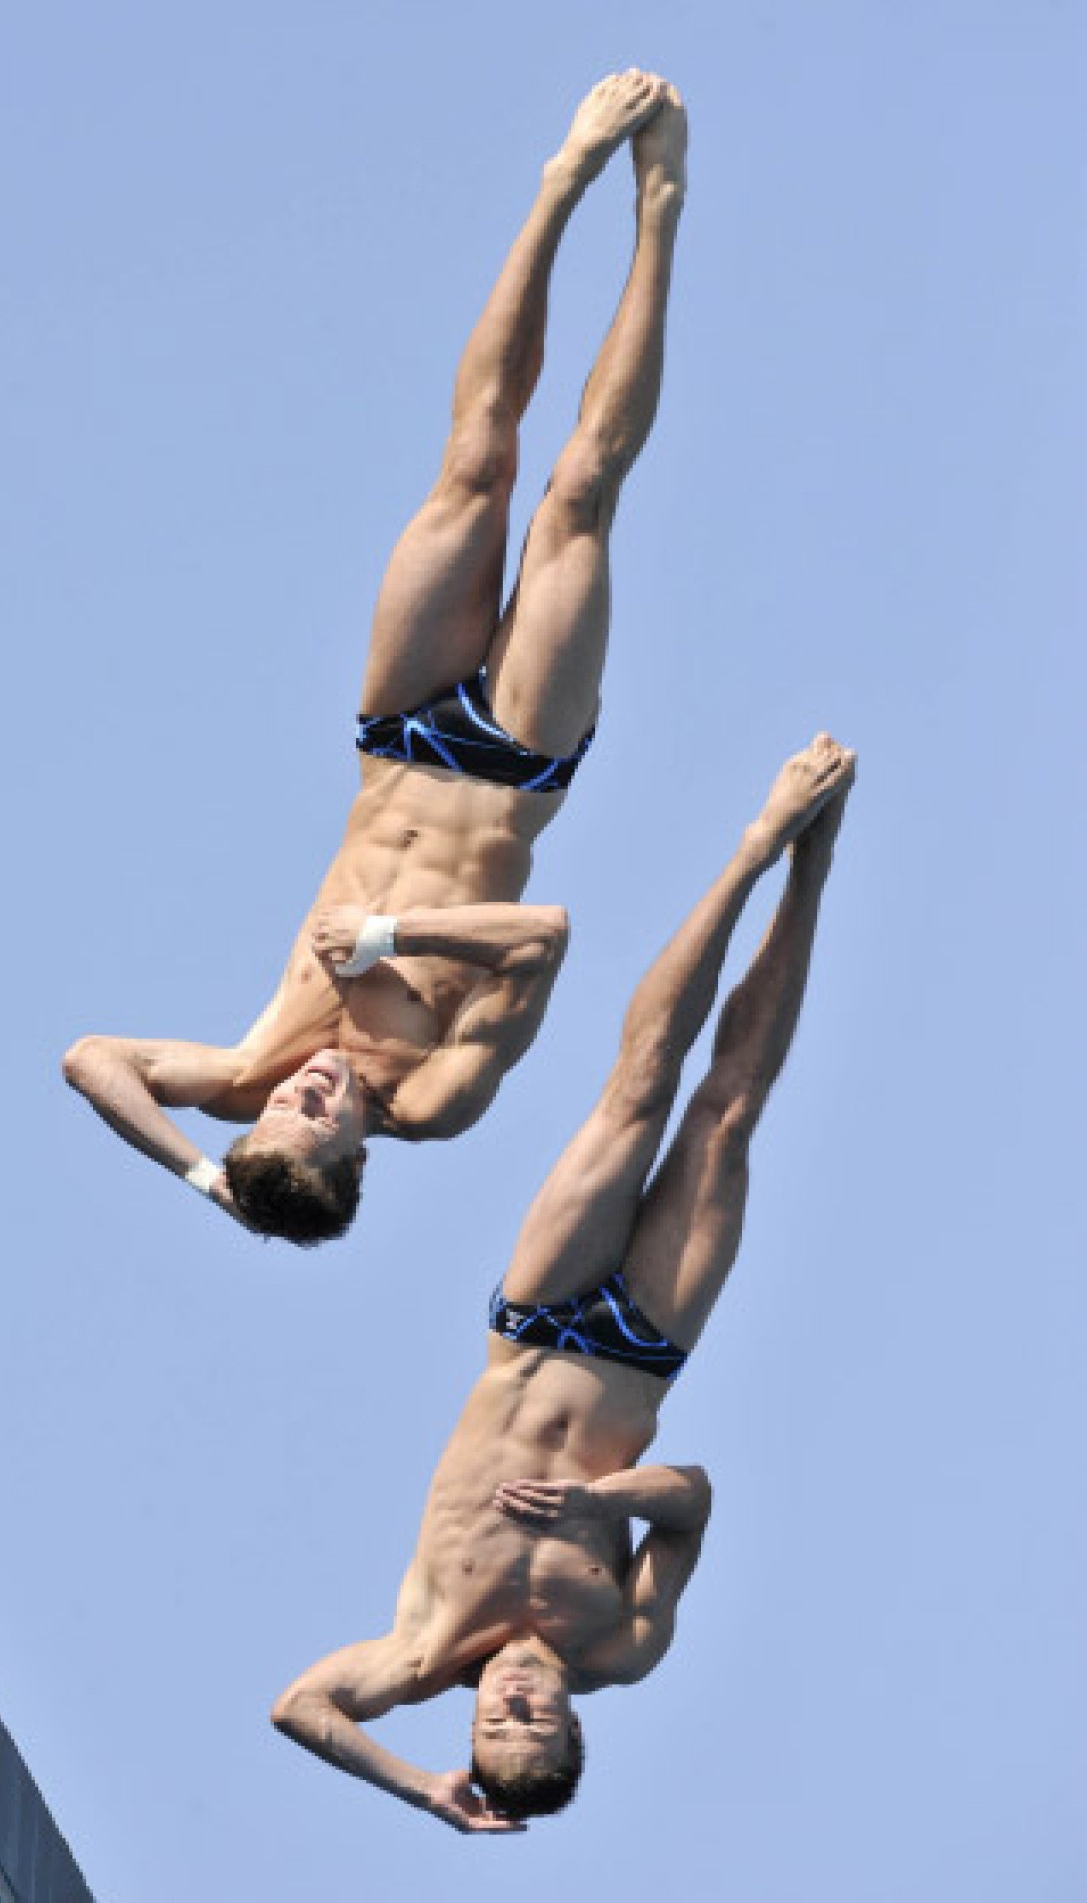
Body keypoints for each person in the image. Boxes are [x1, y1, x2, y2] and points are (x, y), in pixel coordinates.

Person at [63, 72, 688, 1244]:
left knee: (472, 465)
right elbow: (542, 937)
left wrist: (213, 1179)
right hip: (513, 762)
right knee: (578, 496)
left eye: (281, 1115)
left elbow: (90, 1058)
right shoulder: (428, 1102)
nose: (306, 1093)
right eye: (318, 1118)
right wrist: (393, 941)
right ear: (356, 1159)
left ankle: (561, 185)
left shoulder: (250, 1070)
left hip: (398, 734)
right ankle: (660, 208)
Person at [270, 736, 856, 1828]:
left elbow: (298, 1705)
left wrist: (421, 1790)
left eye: (496, 1724)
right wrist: (598, 1498)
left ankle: (752, 849)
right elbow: (693, 1503)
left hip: (538, 1324)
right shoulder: (619, 1645)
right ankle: (811, 866)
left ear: (469, 1723)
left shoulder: (422, 1649)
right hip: (641, 1352)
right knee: (726, 1116)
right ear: (574, 1719)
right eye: (537, 1720)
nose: (517, 1702)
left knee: (637, 1090)